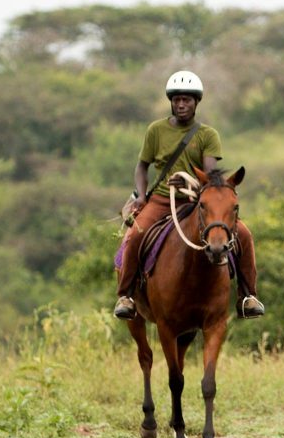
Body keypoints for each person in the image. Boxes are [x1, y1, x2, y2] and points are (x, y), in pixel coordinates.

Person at [113, 70, 265, 321]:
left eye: (187, 100)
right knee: (136, 233)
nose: (181, 104)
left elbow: (210, 173)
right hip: (162, 200)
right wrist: (141, 196)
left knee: (245, 235)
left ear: (196, 102)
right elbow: (142, 167)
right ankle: (126, 296)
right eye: (177, 100)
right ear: (171, 102)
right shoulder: (156, 130)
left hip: (196, 201)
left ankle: (248, 296)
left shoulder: (207, 135)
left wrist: (191, 182)